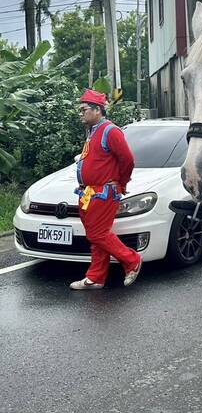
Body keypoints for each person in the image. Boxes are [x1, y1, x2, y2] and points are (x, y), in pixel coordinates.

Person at [70, 90, 142, 290]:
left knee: (98, 234)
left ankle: (132, 260)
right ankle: (96, 277)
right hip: (88, 192)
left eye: (84, 110)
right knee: (96, 235)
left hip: (103, 192)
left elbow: (127, 160)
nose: (81, 113)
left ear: (97, 110)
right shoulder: (93, 131)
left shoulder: (111, 131)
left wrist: (121, 183)